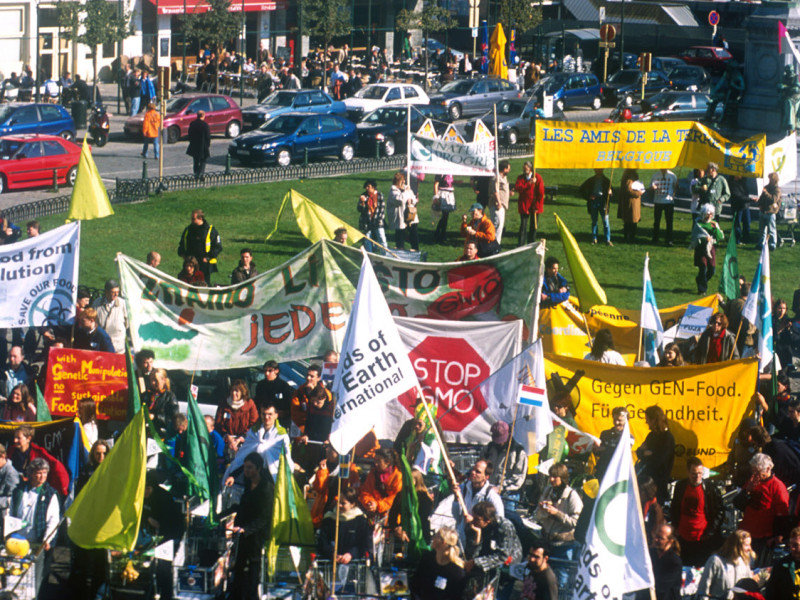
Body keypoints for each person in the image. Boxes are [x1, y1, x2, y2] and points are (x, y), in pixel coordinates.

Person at [222, 452, 274, 599]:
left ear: (258, 469)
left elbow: (264, 517)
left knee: (253, 568)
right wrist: (225, 514)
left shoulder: (266, 489)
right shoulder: (247, 480)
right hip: (243, 531)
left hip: (257, 534)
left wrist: (247, 529)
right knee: (238, 564)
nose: (246, 471)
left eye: (250, 468)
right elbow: (243, 505)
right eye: (245, 467)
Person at [670, 457, 724, 567]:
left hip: (702, 537)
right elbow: (674, 507)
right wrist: (675, 527)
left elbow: (719, 511)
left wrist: (710, 532)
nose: (697, 477)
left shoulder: (710, 488)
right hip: (683, 536)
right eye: (694, 474)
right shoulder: (681, 486)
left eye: (700, 473)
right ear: (688, 472)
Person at [735, 453, 789, 563]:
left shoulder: (777, 486)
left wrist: (776, 536)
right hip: (746, 533)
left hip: (764, 538)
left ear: (768, 469)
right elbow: (738, 504)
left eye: (757, 472)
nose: (755, 475)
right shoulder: (752, 482)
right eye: (753, 471)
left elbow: (782, 516)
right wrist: (747, 491)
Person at [224, 403, 293, 483]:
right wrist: (233, 475)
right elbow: (244, 456)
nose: (266, 417)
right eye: (264, 414)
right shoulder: (254, 432)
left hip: (271, 478)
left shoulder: (281, 435)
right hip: (251, 477)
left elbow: (286, 457)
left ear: (276, 415)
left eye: (270, 414)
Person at [463, 501, 522, 594]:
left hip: (507, 566)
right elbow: (471, 554)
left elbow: (503, 556)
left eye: (477, 519)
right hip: (486, 561)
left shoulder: (505, 526)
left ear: (488, 520)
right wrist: (477, 536)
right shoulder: (474, 525)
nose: (473, 521)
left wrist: (477, 562)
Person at [10, 459, 59, 569]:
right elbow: (11, 514)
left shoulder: (50, 494)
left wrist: (46, 540)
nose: (42, 476)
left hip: (38, 544)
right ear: (31, 474)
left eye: (45, 473)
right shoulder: (19, 491)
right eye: (39, 473)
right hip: (18, 541)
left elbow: (53, 520)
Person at [533, 462, 582, 571]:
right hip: (546, 542)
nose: (551, 479)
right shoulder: (547, 491)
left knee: (561, 578)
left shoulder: (572, 495)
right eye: (550, 476)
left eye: (555, 477)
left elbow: (575, 522)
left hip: (563, 546)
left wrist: (557, 513)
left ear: (563, 478)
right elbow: (538, 516)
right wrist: (543, 510)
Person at [451, 459, 504, 544]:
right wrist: (455, 497)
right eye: (473, 469)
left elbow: (499, 523)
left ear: (486, 476)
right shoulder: (462, 488)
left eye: (478, 472)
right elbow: (456, 515)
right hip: (463, 537)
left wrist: (474, 521)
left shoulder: (492, 496)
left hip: (480, 540)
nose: (473, 472)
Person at [410, 526, 467, 600]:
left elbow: (456, 596)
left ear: (443, 542)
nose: (432, 538)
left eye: (436, 536)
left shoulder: (456, 572)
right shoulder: (427, 558)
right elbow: (415, 582)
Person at [319, 486, 373, 563]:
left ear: (352, 504)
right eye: (338, 502)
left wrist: (351, 554)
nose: (339, 505)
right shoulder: (329, 518)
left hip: (354, 563)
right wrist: (332, 553)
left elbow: (364, 544)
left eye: (343, 503)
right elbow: (322, 541)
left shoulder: (360, 520)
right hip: (331, 562)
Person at [695, 530, 754, 600]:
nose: (749, 549)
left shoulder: (745, 562)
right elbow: (703, 590)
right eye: (746, 545)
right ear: (736, 546)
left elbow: (750, 589)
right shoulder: (715, 561)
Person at [636, 406, 675, 503]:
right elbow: (639, 451)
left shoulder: (667, 438)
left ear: (654, 420)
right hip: (645, 483)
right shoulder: (651, 436)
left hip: (658, 485)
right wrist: (646, 453)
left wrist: (648, 454)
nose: (646, 422)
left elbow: (659, 460)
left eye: (647, 419)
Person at [482, 421, 527, 504]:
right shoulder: (488, 448)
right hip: (488, 492)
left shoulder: (518, 452)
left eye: (502, 438)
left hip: (508, 495)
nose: (499, 442)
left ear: (509, 434)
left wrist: (500, 487)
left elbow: (519, 477)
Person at [215, 379, 259, 462]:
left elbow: (254, 425)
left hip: (245, 442)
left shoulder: (250, 404)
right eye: (232, 390)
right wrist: (228, 437)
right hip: (227, 442)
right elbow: (218, 424)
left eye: (237, 391)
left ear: (242, 392)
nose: (233, 393)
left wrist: (240, 439)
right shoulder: (224, 404)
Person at [178, 209, 223, 284]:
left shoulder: (210, 230)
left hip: (204, 264)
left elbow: (218, 247)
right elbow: (182, 243)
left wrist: (208, 257)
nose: (191, 220)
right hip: (190, 262)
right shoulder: (188, 229)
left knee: (204, 283)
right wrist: (182, 254)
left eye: (193, 219)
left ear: (200, 218)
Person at [691, 204, 725, 295]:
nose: (709, 216)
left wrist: (715, 230)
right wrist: (704, 239)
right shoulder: (698, 223)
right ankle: (702, 290)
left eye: (711, 214)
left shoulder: (714, 223)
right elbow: (695, 236)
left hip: (711, 248)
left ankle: (700, 280)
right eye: (707, 214)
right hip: (701, 249)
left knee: (712, 269)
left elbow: (720, 237)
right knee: (703, 267)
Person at [358, 448, 402, 519]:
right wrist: (369, 503)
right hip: (372, 514)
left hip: (391, 516)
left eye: (378, 461)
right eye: (375, 460)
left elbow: (394, 499)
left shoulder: (398, 477)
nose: (375, 464)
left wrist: (377, 505)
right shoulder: (373, 473)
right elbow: (365, 491)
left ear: (387, 462)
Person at [645, 524, 683, 600]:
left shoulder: (674, 561)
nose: (656, 540)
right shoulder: (651, 554)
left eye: (661, 538)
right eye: (656, 536)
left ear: (670, 541)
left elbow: (661, 585)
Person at [92, 279, 128, 354]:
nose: (116, 294)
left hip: (118, 347)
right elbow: (93, 321)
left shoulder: (122, 303)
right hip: (102, 345)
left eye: (117, 292)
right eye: (113, 292)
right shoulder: (97, 303)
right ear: (106, 292)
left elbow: (127, 322)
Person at [765, 526, 800, 599]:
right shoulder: (781, 566)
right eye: (791, 544)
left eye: (796, 545)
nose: (792, 548)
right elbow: (771, 593)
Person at [579, 168, 613, 246]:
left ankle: (607, 240)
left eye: (599, 170)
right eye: (597, 170)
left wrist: (610, 193)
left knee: (605, 222)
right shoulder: (591, 180)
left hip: (603, 202)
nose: (598, 171)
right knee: (594, 221)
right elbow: (581, 189)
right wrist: (588, 196)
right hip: (594, 201)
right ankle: (594, 238)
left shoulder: (606, 181)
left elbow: (611, 194)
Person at [387, 171, 419, 251]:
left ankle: (415, 249)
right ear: (397, 182)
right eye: (402, 180)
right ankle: (400, 249)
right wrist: (406, 192)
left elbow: (414, 199)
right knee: (400, 233)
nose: (404, 182)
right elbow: (399, 200)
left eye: (404, 180)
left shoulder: (406, 188)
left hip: (410, 215)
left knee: (413, 231)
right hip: (400, 217)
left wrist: (411, 201)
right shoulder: (393, 191)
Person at [515, 160, 545, 246]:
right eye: (524, 168)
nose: (525, 169)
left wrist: (537, 206)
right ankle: (521, 244)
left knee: (533, 226)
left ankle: (531, 243)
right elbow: (519, 188)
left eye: (527, 168)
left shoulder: (538, 177)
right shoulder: (520, 178)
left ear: (530, 168)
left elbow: (541, 193)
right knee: (523, 226)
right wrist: (529, 183)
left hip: (534, 206)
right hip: (524, 205)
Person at [143, 369, 179, 439]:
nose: (153, 383)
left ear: (163, 380)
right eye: (151, 380)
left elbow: (173, 420)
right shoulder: (146, 395)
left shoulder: (170, 397)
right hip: (145, 434)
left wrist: (155, 417)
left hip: (161, 437)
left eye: (155, 380)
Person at [594, 406, 628, 477]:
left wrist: (605, 449)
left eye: (619, 420)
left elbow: (622, 452)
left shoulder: (628, 437)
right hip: (603, 471)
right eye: (615, 419)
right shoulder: (605, 434)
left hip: (618, 473)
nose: (616, 422)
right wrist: (595, 449)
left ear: (626, 421)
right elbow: (599, 453)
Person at [357, 179, 388, 253]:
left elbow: (382, 209)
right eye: (366, 187)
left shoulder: (379, 195)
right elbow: (359, 209)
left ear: (373, 187)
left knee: (381, 238)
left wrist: (377, 220)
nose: (367, 188)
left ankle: (384, 254)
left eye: (368, 186)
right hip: (367, 222)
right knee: (368, 239)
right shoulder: (363, 196)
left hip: (378, 221)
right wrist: (363, 203)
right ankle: (369, 255)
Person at [650, 168, 678, 246]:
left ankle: (669, 239)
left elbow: (676, 188)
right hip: (658, 201)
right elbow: (650, 187)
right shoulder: (655, 175)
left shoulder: (672, 175)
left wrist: (677, 186)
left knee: (669, 221)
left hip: (669, 201)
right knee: (657, 221)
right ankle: (655, 238)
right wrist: (652, 188)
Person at [754, 172, 780, 251]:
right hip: (763, 211)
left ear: (774, 180)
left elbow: (773, 199)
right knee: (762, 230)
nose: (769, 180)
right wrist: (759, 204)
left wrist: (766, 193)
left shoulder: (777, 189)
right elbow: (761, 198)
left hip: (770, 212)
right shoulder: (766, 187)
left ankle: (772, 244)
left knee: (771, 229)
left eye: (771, 179)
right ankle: (761, 244)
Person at [618, 168, 644, 243]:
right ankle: (630, 237)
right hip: (631, 202)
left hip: (633, 201)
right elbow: (628, 190)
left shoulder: (630, 175)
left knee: (631, 220)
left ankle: (629, 236)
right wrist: (638, 193)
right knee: (631, 220)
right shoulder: (629, 176)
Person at [488, 160, 511, 244]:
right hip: (497, 205)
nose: (509, 170)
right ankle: (493, 243)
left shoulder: (504, 177)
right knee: (497, 224)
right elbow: (495, 191)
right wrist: (499, 202)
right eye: (508, 168)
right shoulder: (496, 177)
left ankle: (497, 243)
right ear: (504, 169)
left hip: (502, 205)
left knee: (500, 225)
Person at [186, 110, 211, 179]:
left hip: (194, 145)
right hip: (203, 146)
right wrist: (208, 145)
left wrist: (191, 142)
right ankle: (201, 174)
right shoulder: (205, 125)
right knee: (203, 161)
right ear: (203, 116)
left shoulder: (192, 124)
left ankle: (196, 174)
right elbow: (208, 136)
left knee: (196, 161)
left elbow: (189, 135)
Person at [433, 173, 456, 244]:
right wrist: (436, 196)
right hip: (443, 194)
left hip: (449, 194)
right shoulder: (440, 172)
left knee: (445, 215)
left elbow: (450, 182)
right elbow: (436, 184)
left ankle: (440, 233)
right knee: (444, 215)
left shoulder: (450, 172)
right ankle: (440, 234)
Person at [729, 175, 752, 245]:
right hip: (737, 206)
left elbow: (745, 194)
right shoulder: (732, 184)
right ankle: (737, 239)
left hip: (745, 206)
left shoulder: (743, 183)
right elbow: (738, 196)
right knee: (737, 224)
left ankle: (746, 238)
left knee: (747, 223)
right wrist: (750, 199)